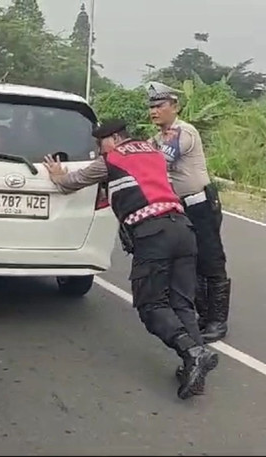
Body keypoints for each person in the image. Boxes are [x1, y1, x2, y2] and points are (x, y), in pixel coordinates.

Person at [42, 119, 218, 400]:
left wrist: (57, 172)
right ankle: (195, 365)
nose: (99, 150)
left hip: (153, 233)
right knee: (182, 302)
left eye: (100, 144)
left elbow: (70, 184)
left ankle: (193, 352)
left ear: (112, 139)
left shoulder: (110, 159)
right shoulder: (153, 151)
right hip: (183, 228)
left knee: (151, 305)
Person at [147, 82, 231, 344]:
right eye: (151, 107)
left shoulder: (185, 132)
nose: (154, 111)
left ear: (175, 107)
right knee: (189, 262)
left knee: (210, 260)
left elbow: (163, 161)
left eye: (160, 106)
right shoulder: (158, 139)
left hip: (201, 204)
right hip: (180, 206)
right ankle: (203, 316)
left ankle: (217, 322)